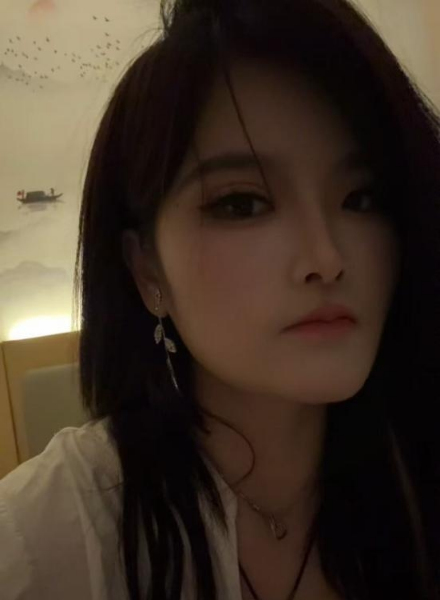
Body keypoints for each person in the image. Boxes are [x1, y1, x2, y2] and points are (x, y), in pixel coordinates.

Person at [1, 0, 440, 598]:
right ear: (146, 268)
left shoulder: (413, 469)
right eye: (242, 204)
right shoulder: (49, 540)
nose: (327, 257)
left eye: (361, 198)